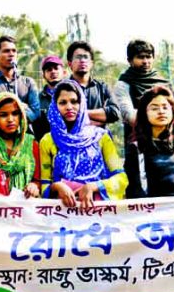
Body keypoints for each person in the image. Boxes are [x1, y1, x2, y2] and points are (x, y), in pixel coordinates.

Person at [40, 80, 127, 208]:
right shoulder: (48, 141)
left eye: (74, 101)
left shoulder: (100, 137)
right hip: (62, 212)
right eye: (63, 103)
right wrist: (57, 186)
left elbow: (121, 178)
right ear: (55, 107)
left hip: (97, 209)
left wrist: (94, 186)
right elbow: (44, 186)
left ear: (82, 104)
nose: (69, 107)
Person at [125, 85, 174, 198]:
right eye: (154, 108)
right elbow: (133, 190)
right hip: (150, 212)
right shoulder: (136, 148)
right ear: (144, 113)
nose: (161, 111)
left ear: (173, 111)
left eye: (165, 107)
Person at [114, 39, 174, 146]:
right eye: (140, 57)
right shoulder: (124, 84)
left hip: (169, 141)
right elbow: (129, 115)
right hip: (139, 143)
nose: (146, 61)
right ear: (130, 60)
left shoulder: (164, 83)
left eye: (149, 57)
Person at [0, 92, 41, 197]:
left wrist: (34, 186)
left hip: (25, 209)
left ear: (21, 116)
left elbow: (38, 180)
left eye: (15, 113)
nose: (10, 119)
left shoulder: (31, 144)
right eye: (3, 115)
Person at [0, 36, 41, 122]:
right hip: (1, 135)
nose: (11, 54)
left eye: (14, 51)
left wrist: (3, 109)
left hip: (27, 134)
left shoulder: (28, 82)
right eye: (6, 51)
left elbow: (35, 113)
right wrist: (23, 106)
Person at [66, 41, 120, 128]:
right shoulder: (62, 89)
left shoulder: (102, 87)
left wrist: (81, 113)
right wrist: (99, 119)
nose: (82, 60)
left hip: (99, 139)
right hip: (70, 140)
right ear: (70, 64)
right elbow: (59, 116)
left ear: (91, 63)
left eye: (85, 57)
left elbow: (114, 113)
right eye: (78, 57)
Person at [33, 55, 66, 141]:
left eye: (56, 68)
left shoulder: (75, 95)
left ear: (64, 72)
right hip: (46, 148)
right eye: (49, 70)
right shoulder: (37, 100)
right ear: (43, 75)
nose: (53, 71)